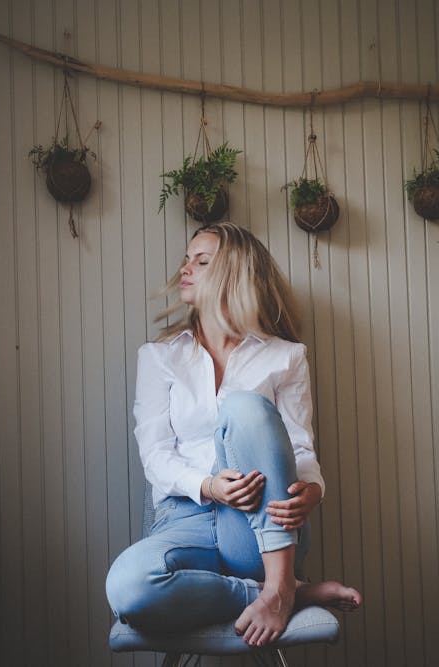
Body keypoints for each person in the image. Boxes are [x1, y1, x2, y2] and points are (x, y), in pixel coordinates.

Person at [106, 222, 361, 648]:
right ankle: (288, 594)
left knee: (244, 406)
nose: (185, 269)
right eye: (187, 259)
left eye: (201, 261)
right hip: (184, 519)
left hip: (261, 528)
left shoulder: (286, 356)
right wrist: (208, 486)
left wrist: (315, 489)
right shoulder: (159, 357)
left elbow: (300, 447)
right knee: (129, 589)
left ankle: (278, 583)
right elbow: (154, 456)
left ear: (235, 274)